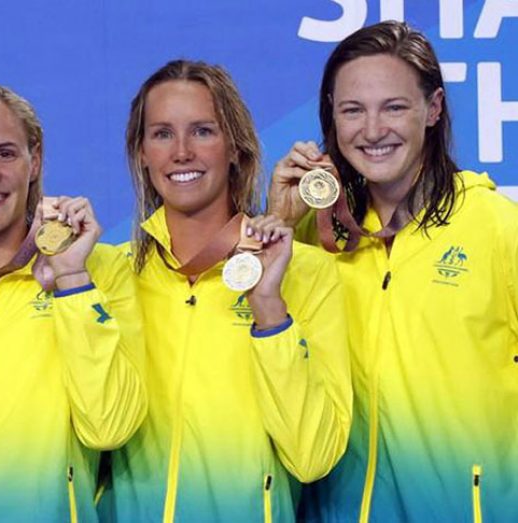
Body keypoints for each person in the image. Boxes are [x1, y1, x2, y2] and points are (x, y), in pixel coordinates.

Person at [268, 21, 518, 522]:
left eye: (394, 107)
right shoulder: (311, 239)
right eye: (352, 110)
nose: (373, 130)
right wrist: (278, 221)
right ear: (332, 120)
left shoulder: (495, 226)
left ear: (434, 109)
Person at [105, 59, 352, 523]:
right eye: (161, 134)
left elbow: (313, 455)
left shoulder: (307, 273)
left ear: (236, 147)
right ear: (140, 152)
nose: (181, 152)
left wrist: (269, 311)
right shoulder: (112, 274)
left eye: (202, 131)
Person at [0, 80, 147, 522]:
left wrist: (71, 280)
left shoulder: (99, 273)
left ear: (33, 160)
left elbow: (110, 425)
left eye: (5, 153)